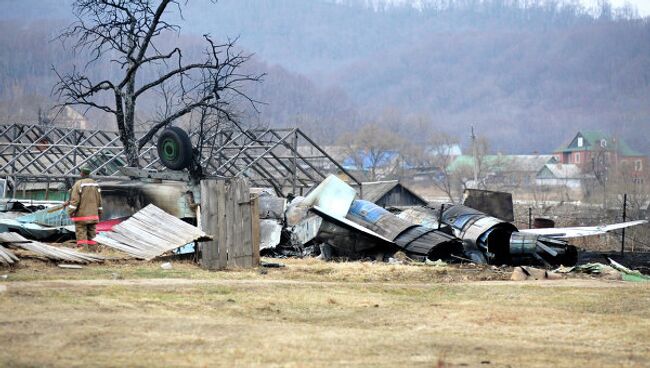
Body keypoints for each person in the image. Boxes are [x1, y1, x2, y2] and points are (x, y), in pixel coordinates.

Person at [67, 167, 103, 248]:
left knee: (81, 234)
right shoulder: (95, 184)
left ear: (81, 173)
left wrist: (70, 212)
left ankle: (82, 250)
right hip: (93, 215)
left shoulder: (78, 184)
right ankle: (93, 251)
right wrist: (100, 213)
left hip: (81, 216)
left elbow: (74, 201)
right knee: (92, 235)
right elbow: (99, 201)